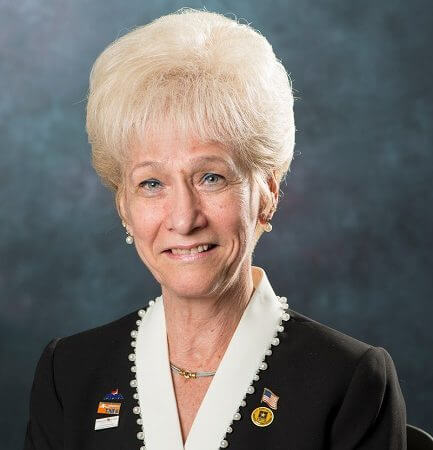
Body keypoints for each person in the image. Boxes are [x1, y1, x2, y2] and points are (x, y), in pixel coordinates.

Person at [23, 8, 406, 450]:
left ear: (267, 193)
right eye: (152, 184)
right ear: (124, 206)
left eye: (211, 177)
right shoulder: (68, 375)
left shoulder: (350, 382)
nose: (184, 219)